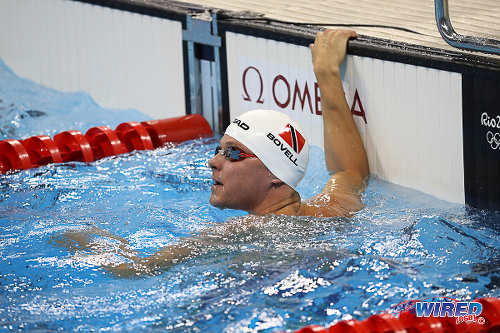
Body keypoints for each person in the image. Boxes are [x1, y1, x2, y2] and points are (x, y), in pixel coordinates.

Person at [55, 29, 369, 277]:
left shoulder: (238, 233)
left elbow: (134, 268)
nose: (212, 161)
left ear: (276, 176)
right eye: (219, 150)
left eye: (232, 154)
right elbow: (349, 172)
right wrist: (326, 72)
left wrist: (78, 235)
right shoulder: (330, 213)